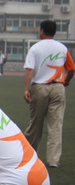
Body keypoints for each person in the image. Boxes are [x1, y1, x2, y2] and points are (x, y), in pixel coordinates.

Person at [23, 20, 75, 167]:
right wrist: (66, 81)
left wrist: (26, 89)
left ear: (42, 31)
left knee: (35, 124)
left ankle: (29, 156)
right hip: (58, 88)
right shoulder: (62, 48)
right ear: (54, 32)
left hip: (39, 88)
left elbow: (29, 70)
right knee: (55, 125)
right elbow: (71, 69)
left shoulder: (35, 48)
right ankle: (53, 160)